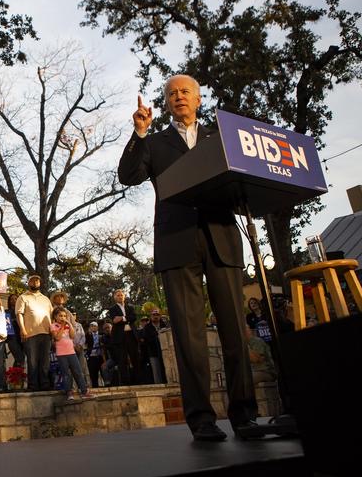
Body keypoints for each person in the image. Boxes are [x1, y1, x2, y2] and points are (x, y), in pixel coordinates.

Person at [118, 75, 260, 441]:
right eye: (171, 94)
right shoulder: (156, 142)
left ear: (198, 99)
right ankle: (202, 420)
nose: (178, 97)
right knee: (189, 335)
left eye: (185, 92)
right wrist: (139, 134)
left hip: (221, 237)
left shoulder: (221, 136)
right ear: (164, 104)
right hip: (176, 240)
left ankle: (245, 415)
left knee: (234, 332)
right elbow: (128, 176)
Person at [15, 274, 53, 391]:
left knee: (45, 361)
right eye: (33, 281)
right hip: (30, 334)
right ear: (28, 283)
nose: (35, 282)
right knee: (32, 361)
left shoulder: (46, 299)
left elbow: (51, 315)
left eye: (37, 281)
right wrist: (23, 329)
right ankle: (33, 386)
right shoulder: (22, 297)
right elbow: (19, 314)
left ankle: (45, 384)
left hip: (46, 334)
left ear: (40, 283)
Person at [51, 306, 93, 401]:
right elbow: (57, 338)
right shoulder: (53, 326)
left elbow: (72, 336)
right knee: (66, 374)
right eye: (60, 316)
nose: (63, 318)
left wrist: (69, 323)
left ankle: (84, 391)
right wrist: (62, 326)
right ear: (55, 316)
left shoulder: (67, 325)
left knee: (78, 372)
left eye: (64, 316)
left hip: (71, 352)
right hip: (61, 354)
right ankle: (69, 392)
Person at [107, 289, 140, 386]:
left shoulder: (130, 307)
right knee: (122, 360)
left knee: (135, 358)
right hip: (120, 337)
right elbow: (115, 320)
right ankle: (125, 382)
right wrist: (126, 317)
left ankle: (138, 381)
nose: (120, 297)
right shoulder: (112, 309)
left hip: (131, 335)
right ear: (114, 297)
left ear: (124, 296)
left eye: (121, 295)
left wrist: (122, 317)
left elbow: (134, 317)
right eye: (118, 295)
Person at [141, 309, 168, 384]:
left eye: (157, 315)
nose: (155, 316)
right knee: (156, 371)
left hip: (166, 351)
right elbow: (146, 339)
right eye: (154, 315)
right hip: (153, 352)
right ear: (150, 316)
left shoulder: (165, 325)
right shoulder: (147, 327)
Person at [4, 293, 25, 368]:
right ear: (9, 301)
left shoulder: (22, 312)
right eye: (11, 299)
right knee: (20, 359)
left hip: (22, 338)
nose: (13, 300)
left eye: (16, 298)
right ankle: (17, 377)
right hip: (12, 339)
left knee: (19, 360)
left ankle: (16, 378)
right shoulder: (6, 312)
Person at [86, 321, 104, 388]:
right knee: (93, 374)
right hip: (91, 356)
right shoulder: (88, 335)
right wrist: (88, 333)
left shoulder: (101, 335)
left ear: (97, 327)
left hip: (100, 356)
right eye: (91, 326)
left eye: (94, 326)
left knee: (103, 372)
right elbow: (85, 341)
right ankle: (95, 387)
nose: (93, 327)